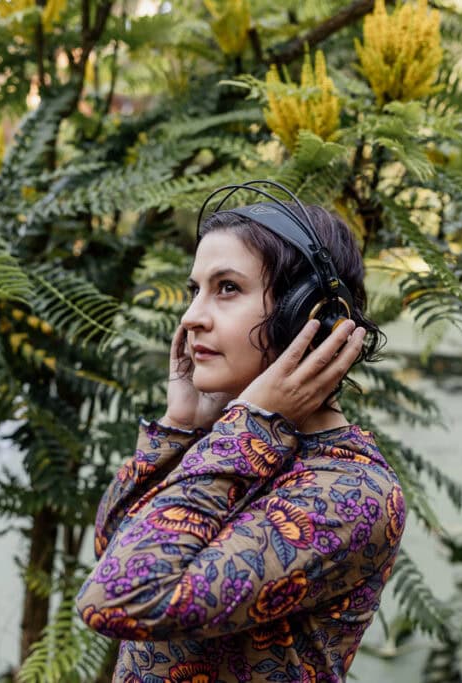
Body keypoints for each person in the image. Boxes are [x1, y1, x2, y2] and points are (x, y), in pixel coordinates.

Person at [75, 198, 406, 682]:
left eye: (226, 288)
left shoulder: (352, 493)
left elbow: (118, 597)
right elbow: (113, 548)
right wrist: (181, 427)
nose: (191, 317)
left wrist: (250, 424)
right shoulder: (228, 441)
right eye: (195, 290)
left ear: (307, 316)